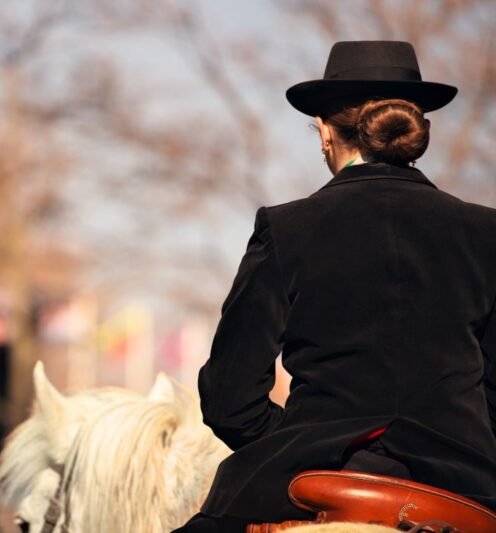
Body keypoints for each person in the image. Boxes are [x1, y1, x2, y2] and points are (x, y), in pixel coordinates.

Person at [175, 41, 496, 532]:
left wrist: (304, 440)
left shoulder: (287, 229)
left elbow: (229, 398)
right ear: (418, 129)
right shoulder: (485, 231)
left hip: (315, 473)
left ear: (325, 133)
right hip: (467, 486)